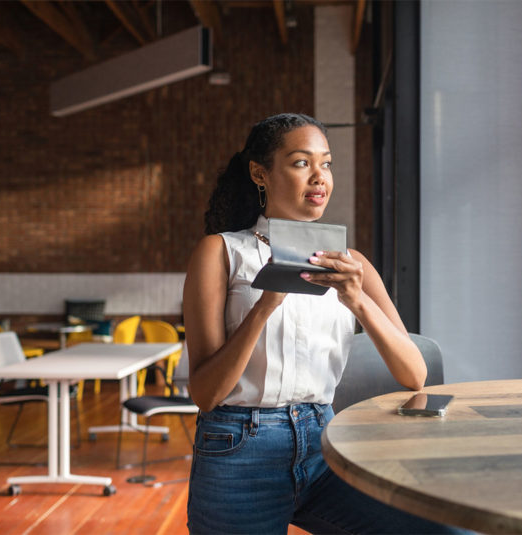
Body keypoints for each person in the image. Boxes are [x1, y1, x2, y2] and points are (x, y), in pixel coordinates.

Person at [183, 113, 462, 534]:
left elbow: (415, 373)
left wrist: (356, 299)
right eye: (301, 163)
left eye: (326, 164)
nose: (319, 177)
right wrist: (264, 306)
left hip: (326, 443)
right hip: (239, 450)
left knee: (444, 531)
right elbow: (205, 394)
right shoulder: (221, 253)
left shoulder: (354, 266)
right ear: (261, 173)